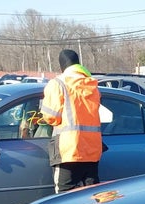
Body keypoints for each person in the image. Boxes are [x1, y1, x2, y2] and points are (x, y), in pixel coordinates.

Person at [39, 49, 102, 193]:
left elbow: (51, 117)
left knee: (64, 196)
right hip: (91, 149)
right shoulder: (93, 86)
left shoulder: (58, 84)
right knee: (92, 195)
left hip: (68, 150)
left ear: (62, 65)